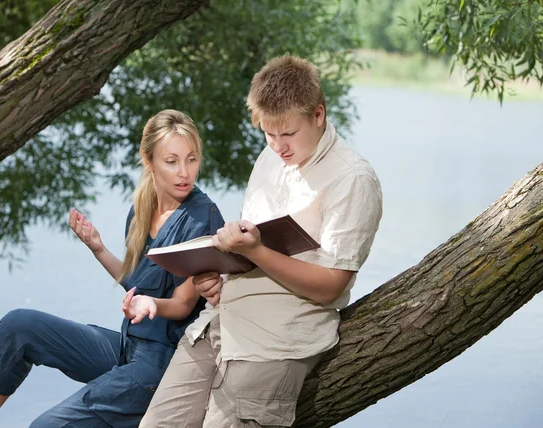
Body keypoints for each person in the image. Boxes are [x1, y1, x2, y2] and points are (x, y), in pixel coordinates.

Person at [139, 56, 383, 427]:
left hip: (273, 342)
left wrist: (255, 250)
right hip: (219, 325)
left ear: (318, 115)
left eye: (287, 134)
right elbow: (251, 249)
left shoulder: (352, 180)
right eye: (269, 133)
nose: (278, 145)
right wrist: (217, 276)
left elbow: (331, 288)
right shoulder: (269, 158)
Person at [0, 109, 225, 428]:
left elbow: (180, 306)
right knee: (18, 326)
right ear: (148, 160)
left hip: (163, 366)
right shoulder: (143, 208)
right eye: (172, 161)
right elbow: (139, 284)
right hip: (129, 348)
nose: (184, 172)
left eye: (191, 159)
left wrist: (150, 304)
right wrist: (97, 247)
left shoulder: (201, 218)